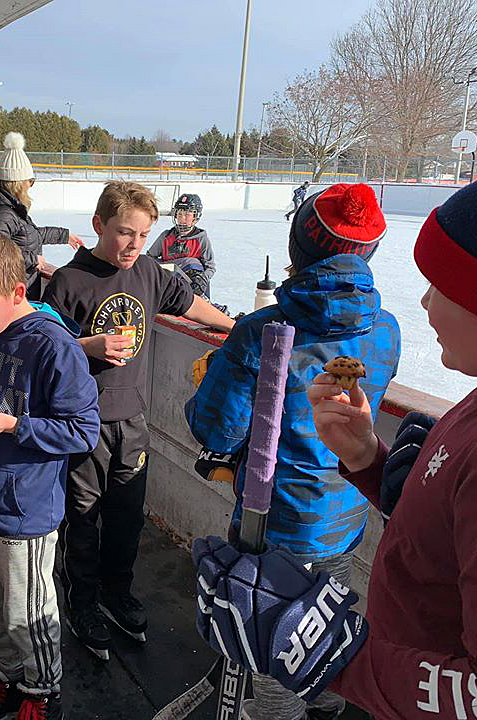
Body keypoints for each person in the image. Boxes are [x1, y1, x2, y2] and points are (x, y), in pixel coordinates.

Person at [192, 128, 477, 718]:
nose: (423, 303)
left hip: (285, 528)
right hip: (344, 536)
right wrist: (371, 466)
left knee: (278, 696)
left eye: (444, 285)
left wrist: (329, 655)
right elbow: (470, 541)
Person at [185, 182, 400, 720]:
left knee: (274, 653)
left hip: (273, 524)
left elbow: (216, 431)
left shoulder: (264, 331)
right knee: (329, 633)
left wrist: (214, 377)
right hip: (346, 514)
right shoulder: (386, 331)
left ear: (298, 249)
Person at [41, 181, 234, 661]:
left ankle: (117, 592)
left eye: (143, 235)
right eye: (124, 233)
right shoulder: (68, 280)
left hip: (135, 421)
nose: (133, 246)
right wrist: (89, 345)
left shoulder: (149, 271)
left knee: (127, 516)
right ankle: (82, 601)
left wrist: (239, 329)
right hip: (82, 424)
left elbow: (191, 305)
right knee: (83, 519)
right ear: (98, 225)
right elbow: (43, 348)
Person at [0, 230, 100, 720]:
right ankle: (9, 673)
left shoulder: (54, 347)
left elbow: (82, 431)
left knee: (27, 612)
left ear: (17, 291)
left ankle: (42, 689)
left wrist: (8, 424)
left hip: (22, 511)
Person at [0, 132, 82, 299]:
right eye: (31, 180)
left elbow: (30, 235)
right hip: (12, 293)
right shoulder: (1, 214)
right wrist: (33, 259)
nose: (31, 186)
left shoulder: (13, 210)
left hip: (23, 289)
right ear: (19, 183)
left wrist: (64, 235)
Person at [145, 193, 216, 298]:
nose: (182, 218)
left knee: (194, 264)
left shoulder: (201, 239)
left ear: (196, 217)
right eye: (179, 214)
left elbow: (210, 267)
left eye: (187, 214)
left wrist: (201, 280)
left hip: (194, 287)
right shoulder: (166, 236)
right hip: (170, 285)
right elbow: (150, 259)